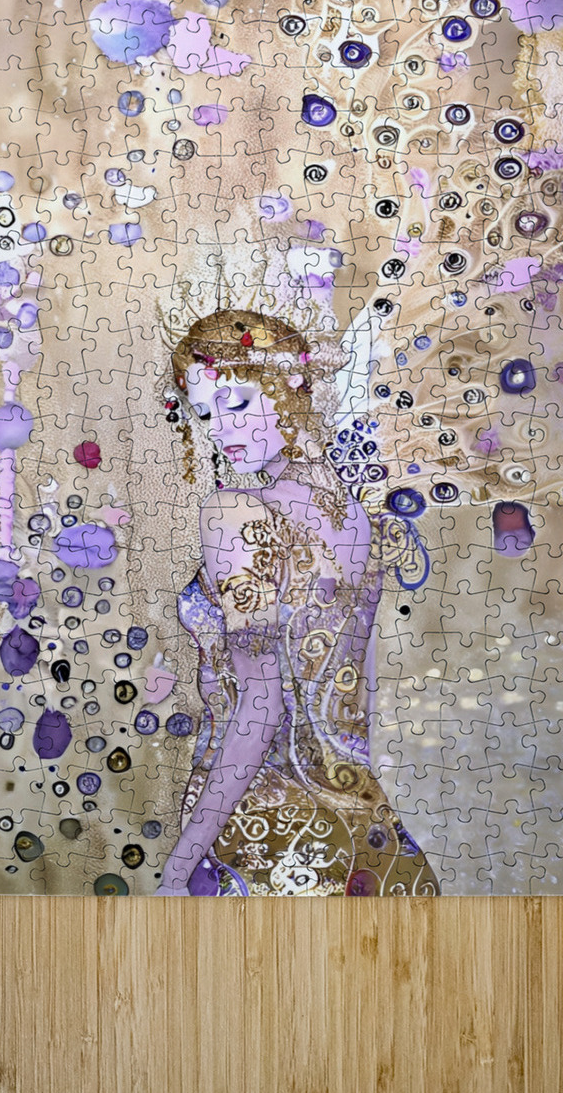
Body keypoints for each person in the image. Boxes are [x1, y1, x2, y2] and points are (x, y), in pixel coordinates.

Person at [154, 309, 440, 896]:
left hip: (260, 830)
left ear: (288, 385)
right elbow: (359, 698)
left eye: (235, 404)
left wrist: (179, 868)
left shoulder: (235, 513)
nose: (219, 430)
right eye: (204, 414)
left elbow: (259, 710)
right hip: (368, 835)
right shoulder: (358, 515)